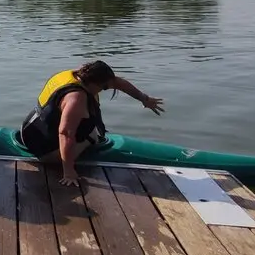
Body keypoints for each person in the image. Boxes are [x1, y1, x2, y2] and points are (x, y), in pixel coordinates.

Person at [20, 60, 164, 187]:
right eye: (104, 87)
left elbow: (117, 82)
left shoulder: (76, 74)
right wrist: (68, 172)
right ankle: (86, 144)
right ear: (95, 83)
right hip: (45, 152)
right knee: (93, 134)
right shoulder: (76, 99)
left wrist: (144, 98)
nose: (105, 90)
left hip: (28, 132)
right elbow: (65, 133)